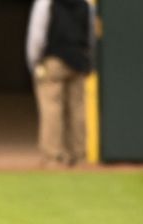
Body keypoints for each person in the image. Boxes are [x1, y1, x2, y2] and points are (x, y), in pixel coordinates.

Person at [27, 0, 95, 168]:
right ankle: (79, 156)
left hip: (53, 59)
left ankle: (53, 157)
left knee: (51, 108)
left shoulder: (46, 3)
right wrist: (88, 61)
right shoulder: (86, 5)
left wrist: (34, 62)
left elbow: (37, 36)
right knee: (78, 109)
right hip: (78, 60)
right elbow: (91, 37)